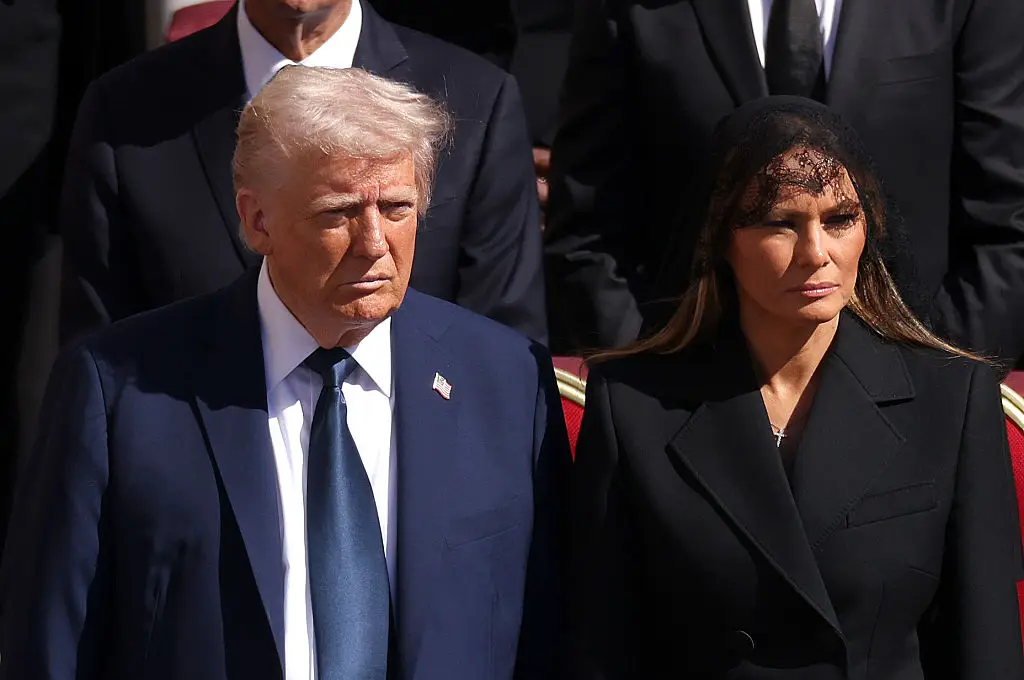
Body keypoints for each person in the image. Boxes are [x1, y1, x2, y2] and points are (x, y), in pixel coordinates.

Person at [1, 67, 569, 680]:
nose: (375, 242)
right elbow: (52, 647)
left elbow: (555, 631)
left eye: (399, 208)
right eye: (338, 213)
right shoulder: (120, 389)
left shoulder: (507, 381)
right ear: (257, 221)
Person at [566, 98, 1024, 679]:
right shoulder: (634, 404)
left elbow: (985, 648)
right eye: (780, 223)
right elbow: (601, 647)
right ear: (721, 239)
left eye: (839, 220)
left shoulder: (951, 398)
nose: (816, 254)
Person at [544, 0, 1024, 365]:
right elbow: (588, 227)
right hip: (691, 406)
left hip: (915, 395)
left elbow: (1007, 220)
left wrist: (936, 382)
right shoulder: (632, 9)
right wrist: (653, 386)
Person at [60, 0, 547, 346]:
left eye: (397, 207)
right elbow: (100, 352)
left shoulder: (475, 100)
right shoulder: (126, 112)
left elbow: (502, 348)